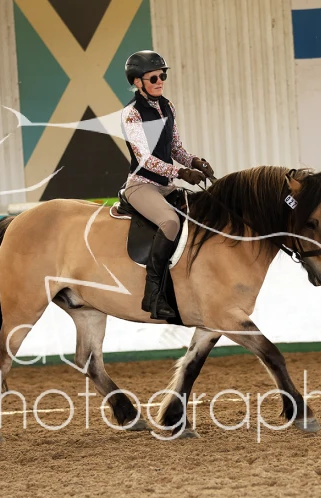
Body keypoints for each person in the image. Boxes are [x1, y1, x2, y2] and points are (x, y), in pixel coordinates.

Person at [121, 50, 214, 320]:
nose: (160, 80)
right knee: (170, 223)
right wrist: (181, 172)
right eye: (154, 77)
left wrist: (194, 161)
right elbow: (146, 159)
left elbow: (175, 147)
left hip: (166, 185)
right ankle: (153, 294)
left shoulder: (167, 106)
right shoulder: (132, 114)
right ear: (138, 82)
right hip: (141, 185)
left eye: (163, 75)